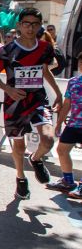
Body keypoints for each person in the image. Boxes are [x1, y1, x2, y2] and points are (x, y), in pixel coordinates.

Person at [0, 8, 62, 200]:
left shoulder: (46, 48)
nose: (30, 28)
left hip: (38, 99)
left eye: (34, 24)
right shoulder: (6, 50)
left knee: (48, 139)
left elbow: (45, 70)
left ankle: (36, 159)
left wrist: (57, 92)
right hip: (15, 102)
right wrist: (9, 90)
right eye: (26, 24)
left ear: (40, 26)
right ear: (19, 25)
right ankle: (20, 178)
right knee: (19, 145)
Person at [47, 52, 82, 198]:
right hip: (74, 124)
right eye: (80, 63)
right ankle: (68, 181)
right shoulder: (73, 81)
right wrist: (59, 123)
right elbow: (67, 104)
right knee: (61, 150)